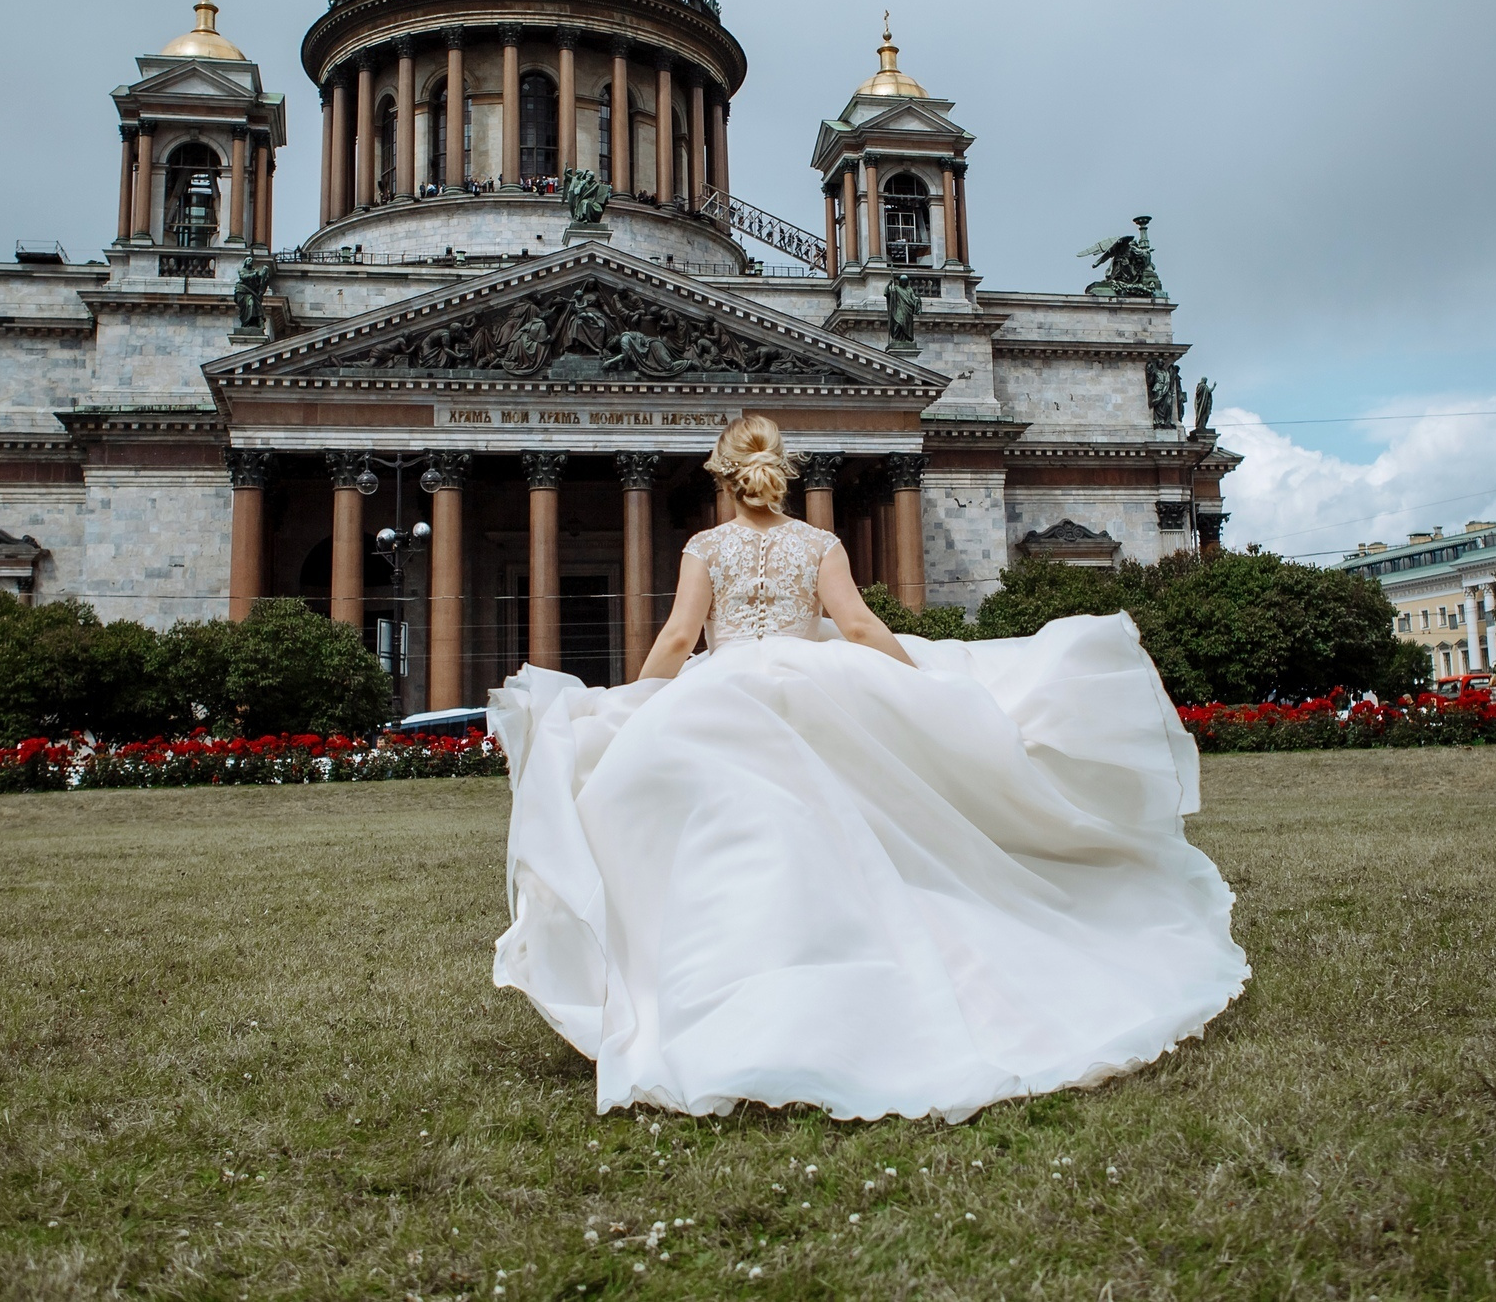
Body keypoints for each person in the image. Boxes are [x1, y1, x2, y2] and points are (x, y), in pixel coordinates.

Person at [490, 414, 1247, 1122]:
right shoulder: (819, 544)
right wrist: (921, 682)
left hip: (718, 697)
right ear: (782, 472)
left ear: (722, 476)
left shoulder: (704, 549)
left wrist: (635, 702)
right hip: (810, 689)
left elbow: (681, 635)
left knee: (734, 842)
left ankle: (737, 1005)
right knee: (837, 836)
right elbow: (855, 625)